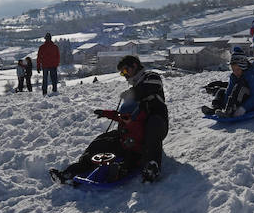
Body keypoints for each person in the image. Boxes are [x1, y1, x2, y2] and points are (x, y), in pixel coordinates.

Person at [49, 56, 168, 185]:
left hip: (157, 122)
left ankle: (152, 167)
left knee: (152, 126)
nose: (124, 75)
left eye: (125, 71)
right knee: (102, 141)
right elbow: (123, 114)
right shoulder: (134, 87)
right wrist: (105, 113)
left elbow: (151, 87)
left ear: (134, 66)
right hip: (134, 130)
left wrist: (132, 93)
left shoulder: (150, 76)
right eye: (122, 73)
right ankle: (73, 170)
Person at [202, 49, 254, 117]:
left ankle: (230, 111)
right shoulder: (234, 76)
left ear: (243, 67)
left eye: (237, 70)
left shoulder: (253, 75)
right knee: (221, 91)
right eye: (233, 70)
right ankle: (215, 109)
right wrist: (225, 103)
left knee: (240, 87)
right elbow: (229, 91)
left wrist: (244, 108)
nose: (235, 72)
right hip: (239, 99)